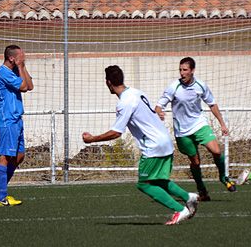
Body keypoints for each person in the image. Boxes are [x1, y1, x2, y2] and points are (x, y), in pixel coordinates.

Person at [82, 65, 198, 225]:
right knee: (157, 181)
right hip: (164, 140)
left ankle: (180, 209)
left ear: (108, 82)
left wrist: (92, 139)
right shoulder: (136, 92)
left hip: (153, 146)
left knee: (144, 184)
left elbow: (116, 132)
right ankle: (189, 197)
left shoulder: (124, 103)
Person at [155, 57, 236, 201]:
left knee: (216, 151)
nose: (182, 73)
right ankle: (202, 190)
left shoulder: (200, 85)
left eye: (185, 70)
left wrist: (222, 124)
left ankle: (224, 178)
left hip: (199, 124)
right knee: (195, 162)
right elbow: (159, 105)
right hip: (182, 131)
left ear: (192, 70)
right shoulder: (174, 87)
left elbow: (212, 104)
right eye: (180, 70)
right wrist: (159, 111)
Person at [0, 45, 34, 206]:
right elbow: (23, 87)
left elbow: (30, 86)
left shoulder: (15, 71)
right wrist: (21, 66)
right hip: (7, 120)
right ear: (12, 58)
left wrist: (22, 67)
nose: (23, 60)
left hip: (17, 119)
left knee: (19, 156)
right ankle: (2, 197)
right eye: (21, 57)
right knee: (5, 156)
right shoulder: (2, 73)